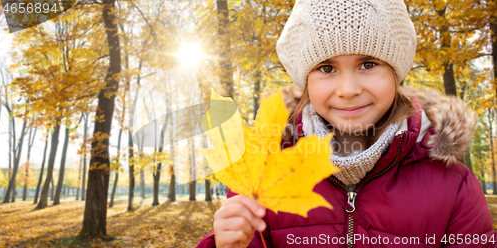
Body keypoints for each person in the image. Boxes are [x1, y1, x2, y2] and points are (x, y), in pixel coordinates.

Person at [197, 0, 497, 247]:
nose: (348, 89)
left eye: (368, 64)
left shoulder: (454, 185)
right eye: (327, 68)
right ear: (306, 84)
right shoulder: (261, 174)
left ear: (396, 73)